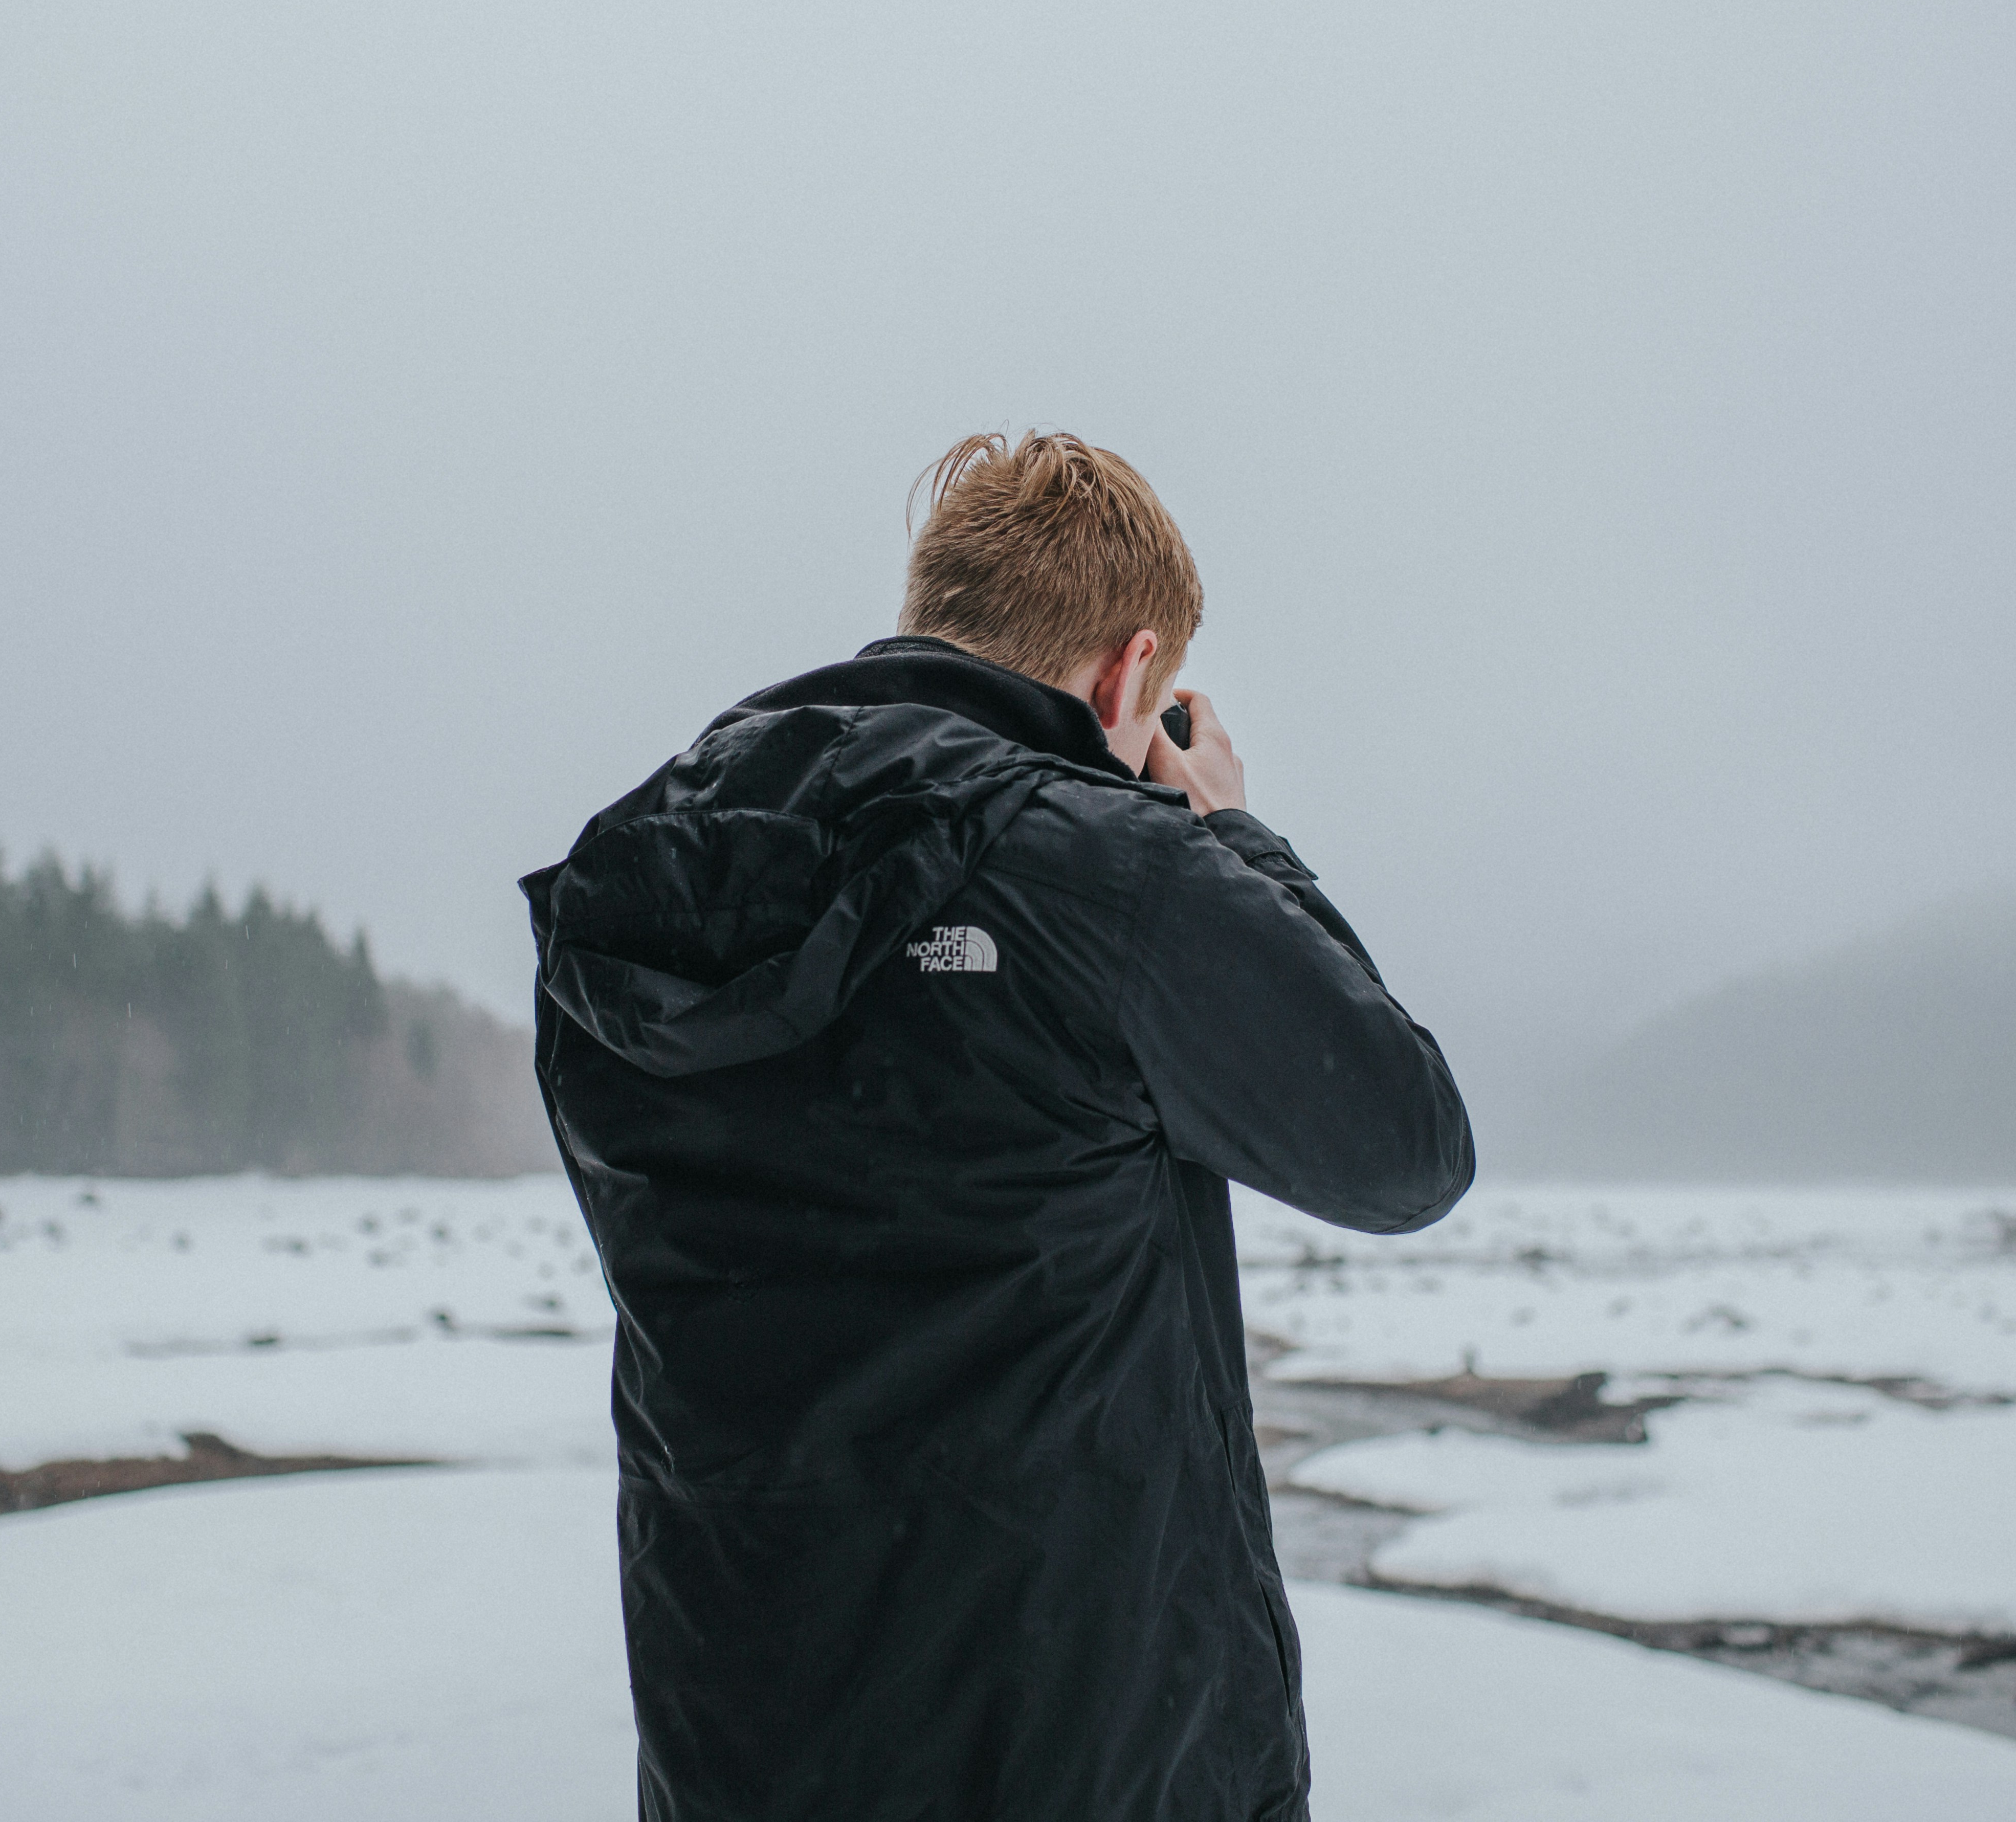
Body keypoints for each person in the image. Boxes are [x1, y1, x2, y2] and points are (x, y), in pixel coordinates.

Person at [521, 431, 1475, 1822]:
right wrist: (1227, 838)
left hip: (741, 1753)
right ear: (1129, 672)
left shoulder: (641, 889)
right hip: (1077, 1759)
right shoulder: (1108, 870)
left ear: (932, 617)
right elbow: (1405, 1147)